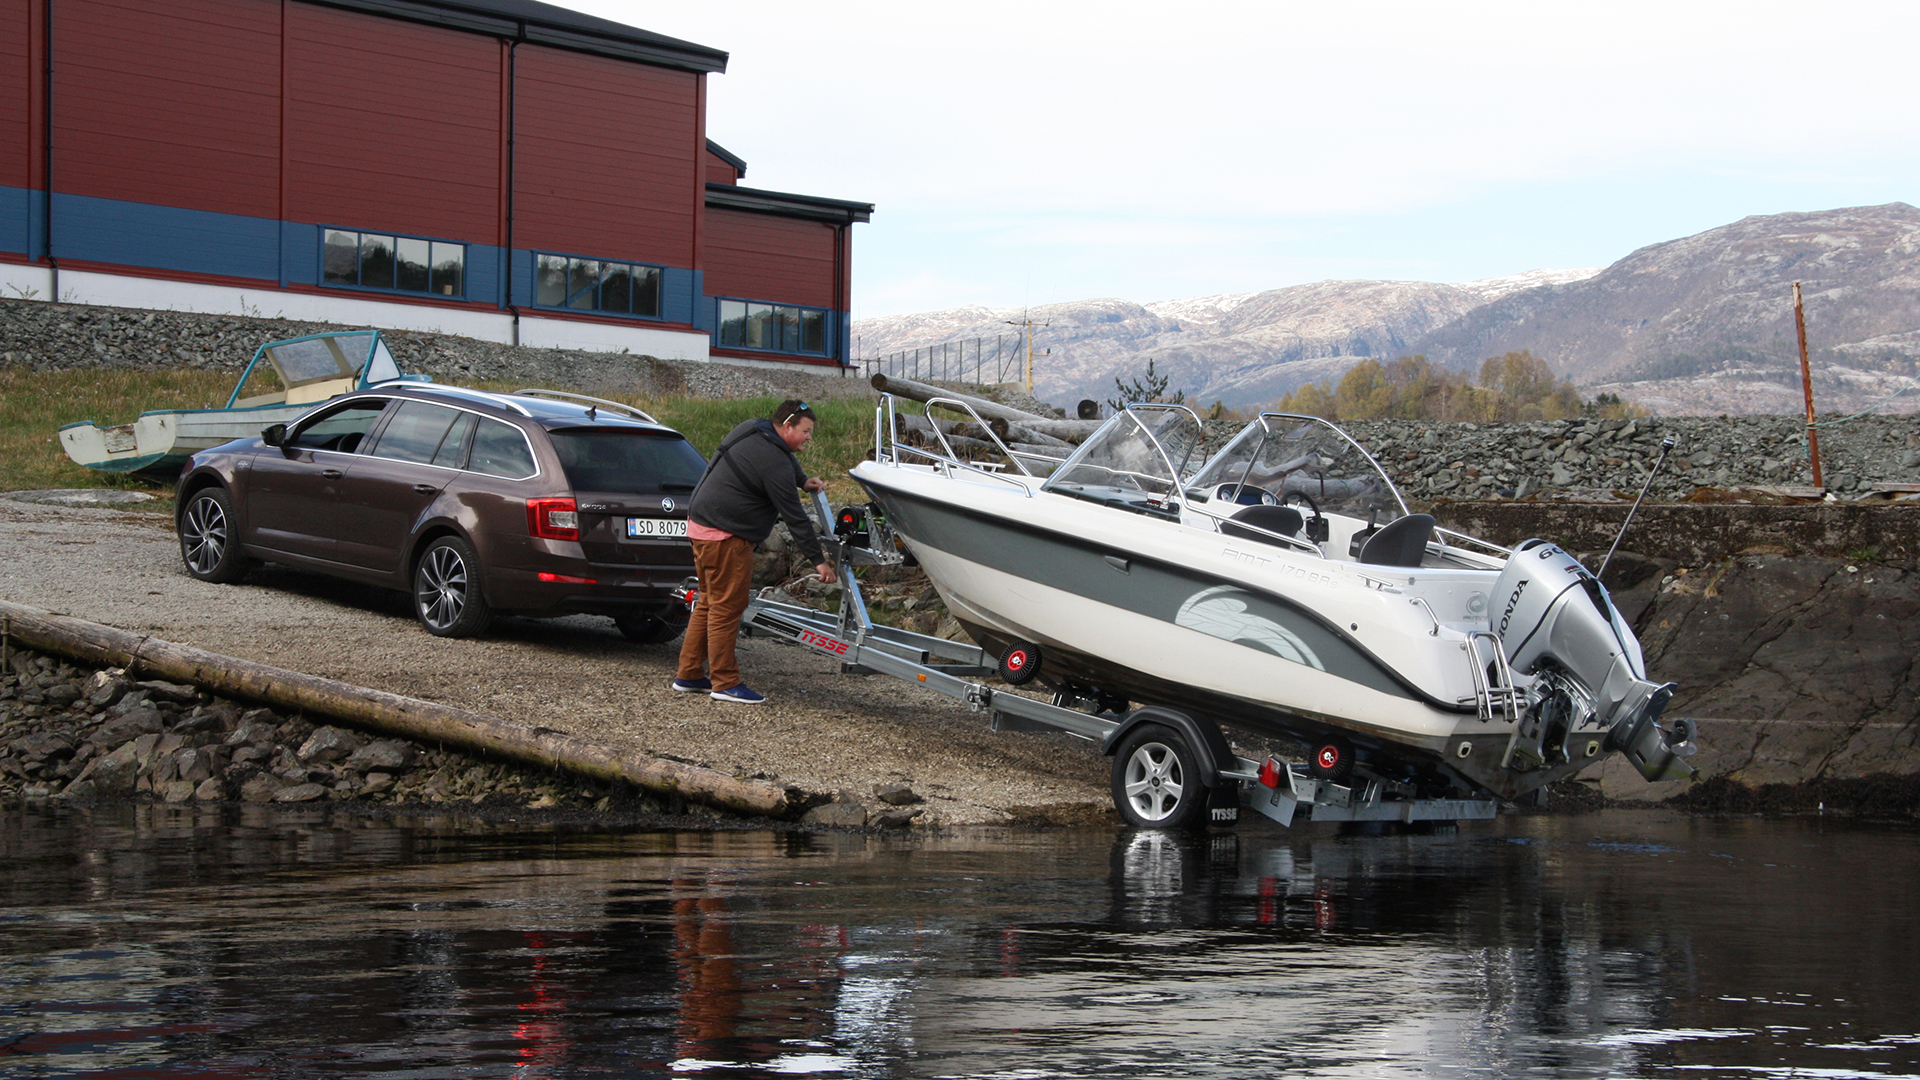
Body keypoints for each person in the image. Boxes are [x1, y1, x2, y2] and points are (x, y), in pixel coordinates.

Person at [674, 400, 835, 704]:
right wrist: (819, 562)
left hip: (700, 525)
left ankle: (690, 674)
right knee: (727, 607)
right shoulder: (773, 461)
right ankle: (725, 682)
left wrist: (802, 480)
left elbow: (785, 457)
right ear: (787, 426)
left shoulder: (754, 428)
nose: (809, 437)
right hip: (725, 537)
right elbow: (795, 517)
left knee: (709, 601)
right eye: (806, 431)